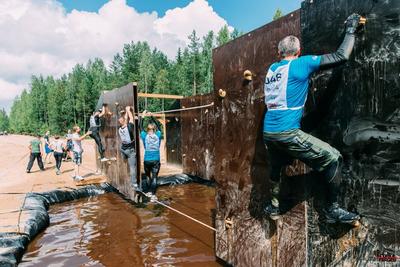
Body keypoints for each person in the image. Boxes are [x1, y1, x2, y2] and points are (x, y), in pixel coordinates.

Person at [263, 14, 364, 224]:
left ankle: (273, 205)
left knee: (276, 167)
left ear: (278, 53)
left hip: (269, 133)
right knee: (333, 158)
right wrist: (351, 30)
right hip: (286, 132)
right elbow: (341, 56)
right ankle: (332, 210)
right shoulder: (302, 64)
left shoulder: (272, 70)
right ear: (299, 52)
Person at [140, 111, 162, 199]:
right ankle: (153, 194)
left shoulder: (144, 135)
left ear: (147, 129)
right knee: (155, 177)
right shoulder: (158, 134)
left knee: (148, 176)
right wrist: (152, 116)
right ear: (154, 129)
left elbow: (140, 127)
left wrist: (143, 116)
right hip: (156, 160)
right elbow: (159, 126)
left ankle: (148, 191)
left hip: (147, 160)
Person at [118, 106, 138, 189]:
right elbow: (131, 118)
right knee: (133, 167)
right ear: (124, 122)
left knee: (125, 160)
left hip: (123, 149)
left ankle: (124, 158)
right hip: (130, 150)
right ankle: (133, 184)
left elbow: (126, 119)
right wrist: (128, 110)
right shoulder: (129, 127)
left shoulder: (120, 129)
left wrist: (126, 113)